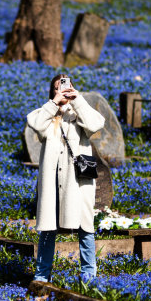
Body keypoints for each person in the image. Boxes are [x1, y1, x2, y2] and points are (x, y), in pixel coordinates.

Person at [27, 74, 105, 282]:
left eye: (65, 86)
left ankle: (89, 274)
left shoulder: (78, 113)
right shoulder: (46, 114)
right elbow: (34, 122)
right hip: (52, 182)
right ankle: (42, 275)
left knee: (85, 226)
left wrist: (77, 99)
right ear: (51, 92)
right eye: (56, 88)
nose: (61, 90)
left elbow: (96, 123)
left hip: (78, 183)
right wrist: (54, 103)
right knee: (47, 227)